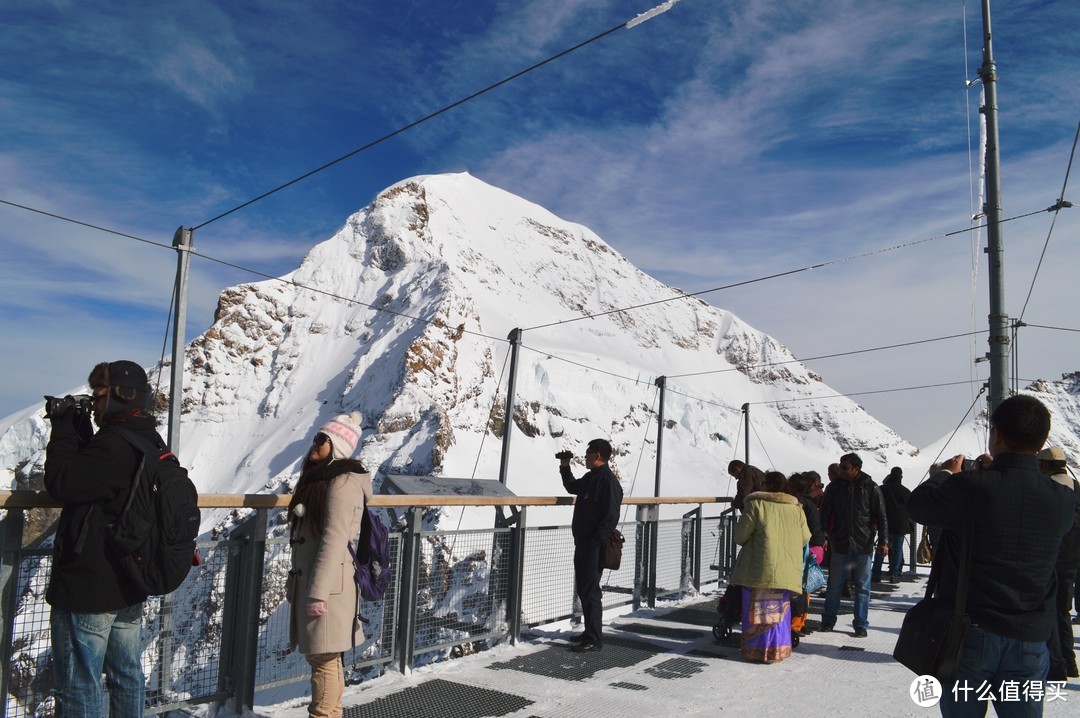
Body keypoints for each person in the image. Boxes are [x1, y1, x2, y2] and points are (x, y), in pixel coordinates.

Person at [908, 395, 1075, 717]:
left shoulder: (972, 487)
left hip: (970, 634)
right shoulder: (1063, 500)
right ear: (1042, 441)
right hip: (1030, 635)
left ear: (995, 434)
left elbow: (918, 506)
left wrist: (946, 474)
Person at [44, 360, 158, 717]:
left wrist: (63, 429)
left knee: (80, 683)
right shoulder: (146, 439)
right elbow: (94, 479)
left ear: (122, 396)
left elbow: (62, 482)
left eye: (99, 395)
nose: (93, 403)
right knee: (126, 675)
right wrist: (81, 429)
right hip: (127, 580)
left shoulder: (113, 446)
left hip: (90, 586)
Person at [287, 412, 372, 718]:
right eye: (315, 436)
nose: (315, 443)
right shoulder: (324, 480)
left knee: (323, 658)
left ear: (335, 445)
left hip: (328, 589)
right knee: (326, 657)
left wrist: (316, 593)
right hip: (319, 583)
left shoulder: (341, 484)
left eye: (322, 439)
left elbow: (334, 540)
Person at [730, 472, 811, 662]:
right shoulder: (796, 508)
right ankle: (778, 651)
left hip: (758, 570)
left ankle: (756, 650)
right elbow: (805, 537)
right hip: (786, 570)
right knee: (779, 612)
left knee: (757, 611)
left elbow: (740, 536)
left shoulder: (756, 504)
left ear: (764, 485)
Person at [560, 438, 624, 653]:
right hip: (585, 542)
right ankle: (589, 633)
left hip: (593, 545)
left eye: (587, 454)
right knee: (585, 589)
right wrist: (564, 466)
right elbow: (571, 486)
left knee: (591, 591)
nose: (584, 457)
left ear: (597, 456)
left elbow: (611, 515)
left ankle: (595, 639)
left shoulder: (608, 481)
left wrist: (596, 540)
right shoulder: (591, 478)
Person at [818, 452, 887, 637]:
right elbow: (824, 513)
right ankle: (828, 621)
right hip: (840, 542)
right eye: (841, 466)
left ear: (856, 469)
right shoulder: (834, 488)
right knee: (834, 584)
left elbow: (881, 516)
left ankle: (861, 624)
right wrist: (824, 534)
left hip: (863, 544)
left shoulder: (871, 487)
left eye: (845, 467)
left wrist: (884, 541)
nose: (840, 469)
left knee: (862, 586)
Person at [1037, 446, 1080, 680]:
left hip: (1053, 557)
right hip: (1073, 557)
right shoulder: (1075, 486)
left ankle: (1057, 665)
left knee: (1050, 611)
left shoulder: (1051, 488)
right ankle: (1069, 662)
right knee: (1062, 611)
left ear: (1044, 465)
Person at [786, 472, 824, 635]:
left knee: (799, 587)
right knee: (804, 587)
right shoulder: (809, 502)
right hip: (817, 545)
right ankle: (800, 622)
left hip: (806, 548)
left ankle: (795, 624)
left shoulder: (799, 504)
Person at [873, 467, 912, 583]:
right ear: (901, 477)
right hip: (900, 524)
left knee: (882, 546)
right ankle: (894, 574)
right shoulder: (905, 491)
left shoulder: (882, 489)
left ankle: (876, 574)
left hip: (884, 523)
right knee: (897, 548)